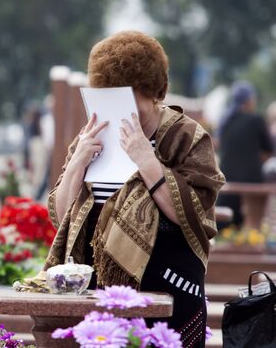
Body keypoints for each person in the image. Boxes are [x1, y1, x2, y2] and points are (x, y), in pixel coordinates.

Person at [44, 31, 225, 347]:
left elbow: (195, 218)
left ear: (155, 93)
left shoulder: (186, 137)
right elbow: (62, 218)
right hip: (96, 298)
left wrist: (147, 160)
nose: (126, 119)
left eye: (134, 108)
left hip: (169, 293)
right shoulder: (94, 133)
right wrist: (77, 164)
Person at [216, 82, 273, 228]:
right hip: (251, 180)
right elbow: (269, 150)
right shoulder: (256, 120)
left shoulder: (225, 121)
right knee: (254, 222)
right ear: (249, 100)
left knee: (226, 222)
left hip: (226, 178)